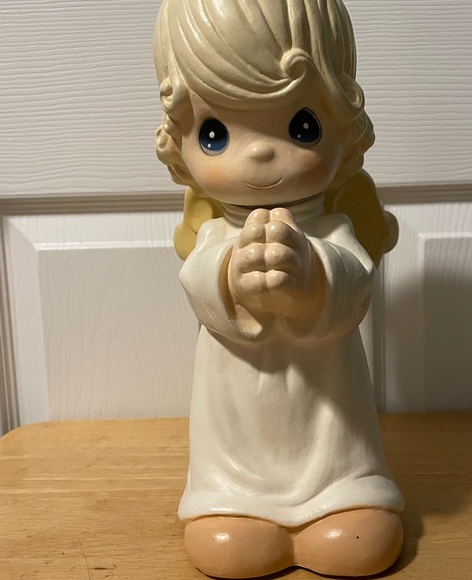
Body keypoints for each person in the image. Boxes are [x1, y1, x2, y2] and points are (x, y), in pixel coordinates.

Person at [153, 0, 405, 576]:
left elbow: (353, 291)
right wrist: (231, 278)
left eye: (302, 126)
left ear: (342, 125)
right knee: (231, 545)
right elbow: (201, 287)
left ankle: (343, 496)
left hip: (331, 432)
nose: (260, 152)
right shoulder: (216, 236)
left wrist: (312, 279)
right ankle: (234, 503)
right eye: (215, 133)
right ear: (179, 139)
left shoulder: (334, 231)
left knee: (357, 539)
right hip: (235, 441)